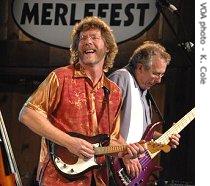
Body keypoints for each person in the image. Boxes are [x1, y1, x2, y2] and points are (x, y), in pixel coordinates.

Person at [18, 16, 146, 186]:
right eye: (82, 39)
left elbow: (111, 140)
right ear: (76, 48)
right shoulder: (61, 77)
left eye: (94, 37)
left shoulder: (114, 92)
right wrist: (69, 142)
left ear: (107, 46)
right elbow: (27, 114)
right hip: (58, 179)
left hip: (98, 178)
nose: (87, 42)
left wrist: (125, 151)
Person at [109, 41, 180, 180]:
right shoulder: (121, 78)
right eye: (155, 74)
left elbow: (144, 134)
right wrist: (125, 152)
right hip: (111, 167)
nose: (159, 80)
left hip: (128, 171)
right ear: (140, 67)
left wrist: (163, 139)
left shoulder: (145, 95)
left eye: (162, 75)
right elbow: (105, 123)